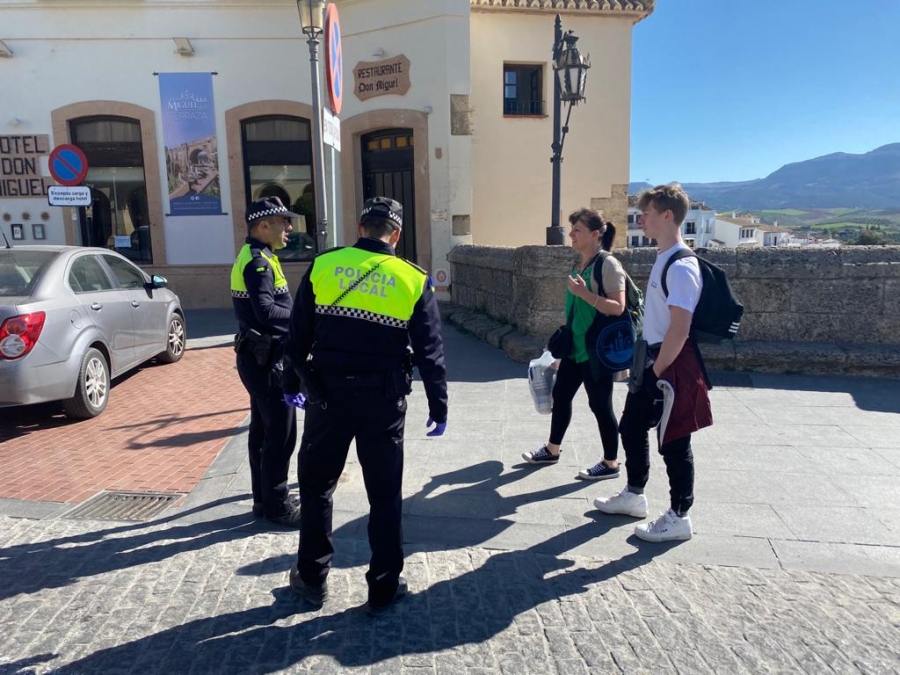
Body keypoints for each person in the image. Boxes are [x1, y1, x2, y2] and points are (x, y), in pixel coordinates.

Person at [283, 196, 448, 615]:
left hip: (327, 397)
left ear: (360, 229)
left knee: (318, 487)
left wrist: (291, 385)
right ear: (396, 235)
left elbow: (297, 336)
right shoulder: (412, 278)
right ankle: (383, 586)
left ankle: (312, 578)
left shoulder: (324, 265)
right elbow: (430, 350)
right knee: (384, 496)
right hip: (383, 400)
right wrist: (438, 404)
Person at [593, 184, 712, 542]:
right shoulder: (665, 258)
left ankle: (679, 516)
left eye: (646, 213)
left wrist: (658, 371)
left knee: (675, 440)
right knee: (630, 427)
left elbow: (680, 328)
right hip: (653, 360)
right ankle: (634, 494)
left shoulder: (682, 266)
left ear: (667, 216)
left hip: (669, 364)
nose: (640, 219)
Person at [522, 208, 626, 481]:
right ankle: (553, 449)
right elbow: (575, 309)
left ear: (594, 234)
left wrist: (583, 293)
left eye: (577, 230)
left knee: (601, 405)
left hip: (596, 351)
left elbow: (618, 307)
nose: (571, 234)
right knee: (562, 396)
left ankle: (611, 463)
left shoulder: (609, 265)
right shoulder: (580, 263)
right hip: (575, 349)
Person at [230, 196, 302, 527]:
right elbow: (266, 313)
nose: (289, 227)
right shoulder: (257, 263)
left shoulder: (260, 256)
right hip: (266, 362)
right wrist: (304, 319)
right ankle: (277, 505)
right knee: (281, 436)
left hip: (257, 359)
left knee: (262, 431)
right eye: (283, 221)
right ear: (263, 225)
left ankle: (263, 499)